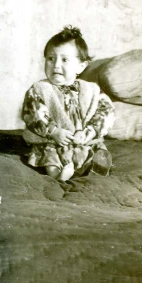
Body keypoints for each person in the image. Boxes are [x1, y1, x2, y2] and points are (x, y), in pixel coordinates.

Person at [21, 26, 114, 182]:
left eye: (64, 60)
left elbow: (105, 112)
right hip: (53, 140)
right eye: (50, 59)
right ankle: (56, 174)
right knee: (50, 155)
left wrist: (89, 132)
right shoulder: (40, 89)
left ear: (81, 66)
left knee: (93, 153)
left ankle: (81, 168)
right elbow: (35, 113)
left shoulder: (90, 90)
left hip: (83, 140)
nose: (56, 65)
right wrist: (53, 131)